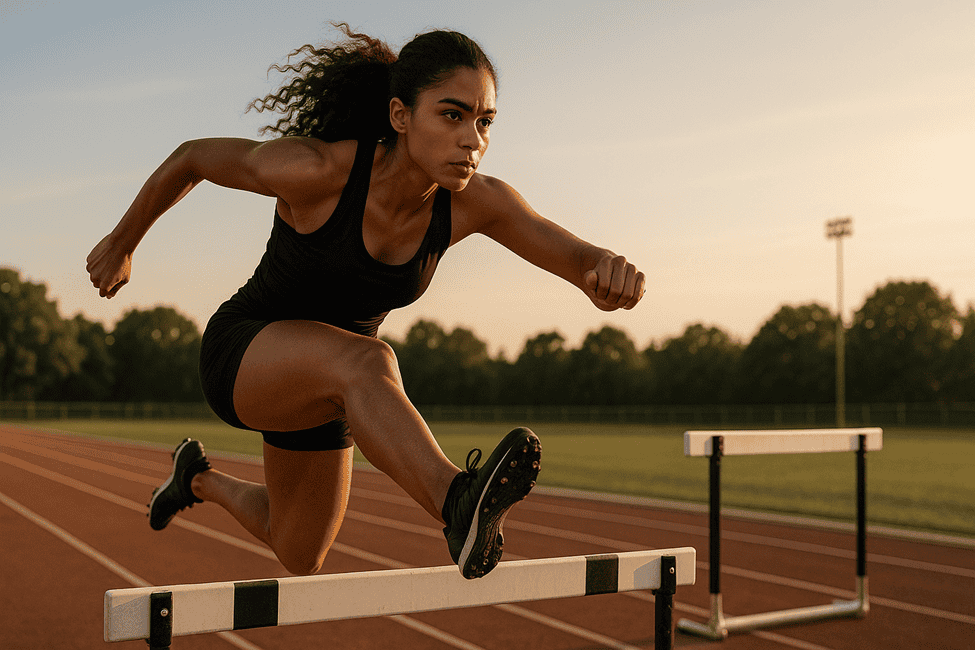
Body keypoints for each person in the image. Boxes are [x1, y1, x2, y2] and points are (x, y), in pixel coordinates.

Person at [86, 24, 645, 579]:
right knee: (372, 358)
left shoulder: (477, 203)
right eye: (452, 115)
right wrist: (121, 243)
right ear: (401, 116)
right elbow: (193, 158)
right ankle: (457, 501)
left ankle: (197, 478)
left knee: (301, 552)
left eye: (484, 121)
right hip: (245, 354)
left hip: (336, 389)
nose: (472, 139)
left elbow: (580, 259)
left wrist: (607, 275)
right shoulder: (322, 171)